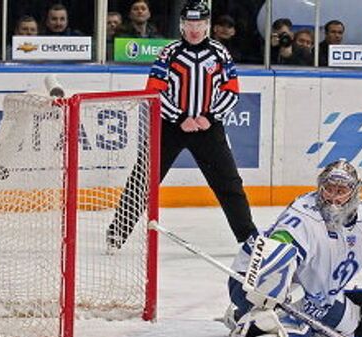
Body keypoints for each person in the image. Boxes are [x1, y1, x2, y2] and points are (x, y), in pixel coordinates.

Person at [107, 0, 257, 248]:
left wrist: (208, 117)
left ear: (207, 25)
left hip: (208, 128)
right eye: (189, 23)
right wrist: (179, 117)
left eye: (199, 23)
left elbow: (231, 91)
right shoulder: (169, 52)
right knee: (143, 179)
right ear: (181, 25)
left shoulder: (220, 53)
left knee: (229, 183)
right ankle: (117, 233)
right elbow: (153, 92)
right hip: (170, 128)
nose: (194, 29)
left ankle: (248, 237)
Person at [222, 160, 362, 337]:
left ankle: (245, 316)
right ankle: (247, 315)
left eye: (341, 190)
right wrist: (269, 298)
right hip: (254, 279)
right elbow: (280, 247)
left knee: (350, 323)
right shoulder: (303, 214)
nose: (333, 197)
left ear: (354, 192)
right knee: (285, 333)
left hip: (311, 294)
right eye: (328, 189)